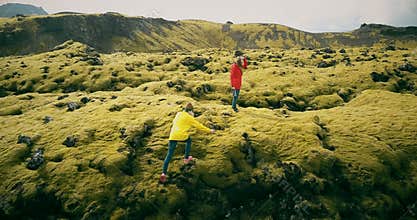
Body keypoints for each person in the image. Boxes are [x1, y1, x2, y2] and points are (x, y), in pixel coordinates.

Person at [160, 103, 215, 183]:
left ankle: (163, 174)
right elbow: (199, 126)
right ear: (190, 111)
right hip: (182, 135)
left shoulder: (178, 114)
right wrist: (209, 131)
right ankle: (186, 158)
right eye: (193, 112)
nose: (193, 114)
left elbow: (175, 122)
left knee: (169, 154)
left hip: (172, 135)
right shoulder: (189, 118)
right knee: (188, 141)